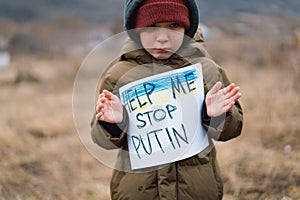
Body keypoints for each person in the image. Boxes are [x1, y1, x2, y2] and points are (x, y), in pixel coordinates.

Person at [91, 0, 243, 199]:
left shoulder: (206, 71)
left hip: (195, 189)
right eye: (152, 27)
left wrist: (215, 116)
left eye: (173, 26)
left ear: (187, 27)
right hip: (139, 190)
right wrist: (113, 124)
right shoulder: (119, 75)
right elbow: (100, 137)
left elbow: (233, 127)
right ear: (136, 30)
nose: (162, 38)